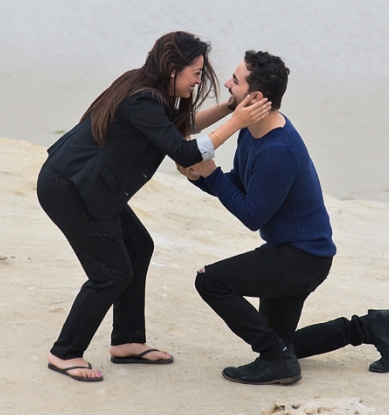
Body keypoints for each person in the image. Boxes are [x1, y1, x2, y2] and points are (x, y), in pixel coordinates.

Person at [36, 32, 271, 382]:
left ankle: (127, 341)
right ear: (173, 68)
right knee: (110, 273)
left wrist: (229, 109)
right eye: (195, 72)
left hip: (92, 185)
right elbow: (185, 152)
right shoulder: (141, 99)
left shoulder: (148, 89)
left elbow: (177, 130)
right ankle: (64, 353)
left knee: (138, 246)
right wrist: (235, 125)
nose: (198, 81)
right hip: (71, 188)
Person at [179, 50, 389, 385]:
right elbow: (239, 188)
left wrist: (211, 173)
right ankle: (372, 327)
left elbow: (252, 215)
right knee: (284, 344)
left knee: (209, 280)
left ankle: (276, 360)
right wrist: (200, 177)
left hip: (300, 259)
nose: (227, 83)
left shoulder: (278, 150)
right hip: (291, 253)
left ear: (255, 97)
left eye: (235, 80)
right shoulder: (252, 133)